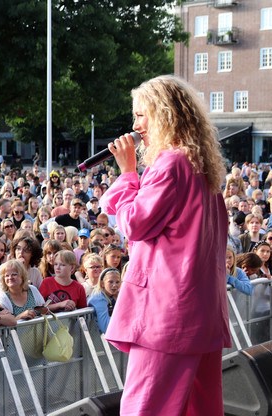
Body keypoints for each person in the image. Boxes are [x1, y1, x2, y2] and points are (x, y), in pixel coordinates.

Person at [101, 75, 229, 414]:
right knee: (200, 408)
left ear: (163, 114)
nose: (135, 125)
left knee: (146, 406)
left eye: (141, 115)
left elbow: (134, 224)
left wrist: (128, 174)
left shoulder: (170, 164)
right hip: (201, 310)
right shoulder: (202, 168)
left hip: (167, 312)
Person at [87, 268, 122, 333]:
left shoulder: (115, 295)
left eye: (117, 282)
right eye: (110, 282)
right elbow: (106, 327)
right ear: (102, 283)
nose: (114, 285)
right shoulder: (98, 298)